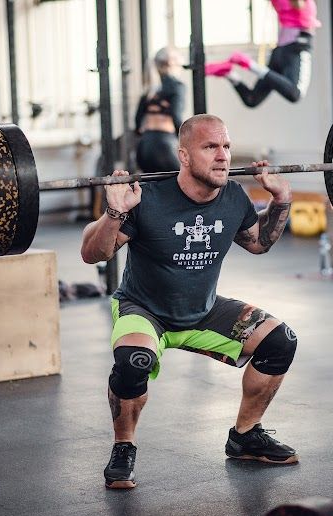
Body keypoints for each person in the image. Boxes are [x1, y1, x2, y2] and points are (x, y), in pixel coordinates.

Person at [81, 114, 298, 489]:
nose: (223, 156)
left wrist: (281, 200)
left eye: (226, 146)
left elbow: (258, 242)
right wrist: (115, 211)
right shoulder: (147, 198)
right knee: (133, 364)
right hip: (144, 310)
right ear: (184, 155)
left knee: (281, 342)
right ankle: (123, 447)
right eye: (210, 147)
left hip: (204, 310)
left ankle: (245, 436)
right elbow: (92, 253)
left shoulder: (232, 196)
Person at [204, 0, 320, 107]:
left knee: (251, 99)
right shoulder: (305, 3)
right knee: (296, 94)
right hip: (295, 51)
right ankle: (249, 64)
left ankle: (229, 74)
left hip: (280, 52)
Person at [134, 47, 185, 173]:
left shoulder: (150, 88)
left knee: (151, 187)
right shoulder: (177, 86)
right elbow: (176, 115)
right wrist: (186, 138)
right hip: (164, 145)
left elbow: (137, 119)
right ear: (174, 65)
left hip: (144, 146)